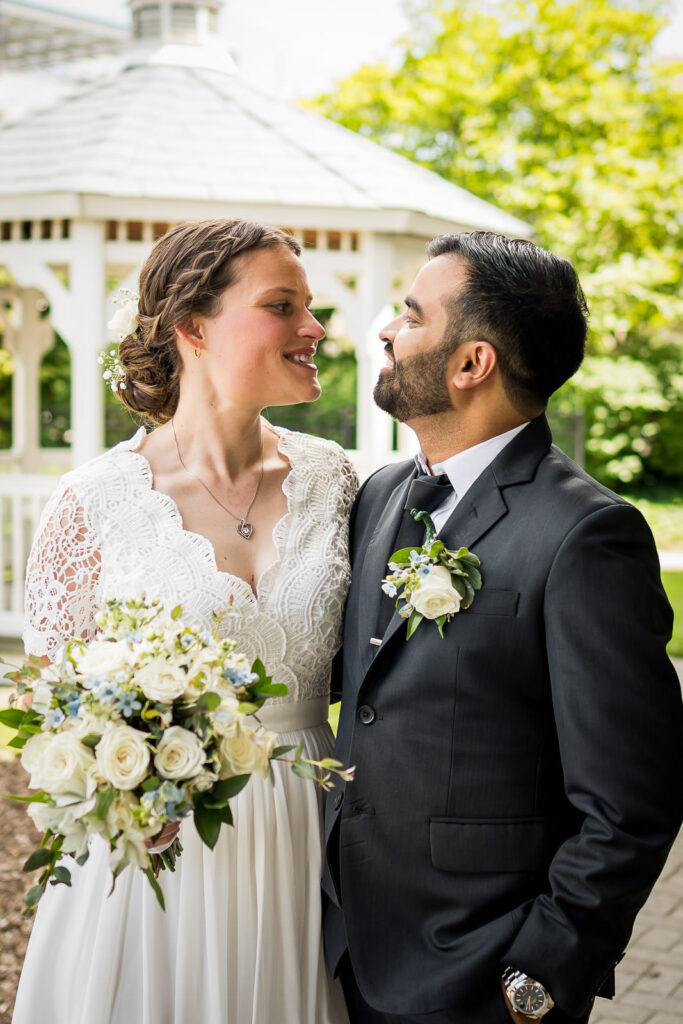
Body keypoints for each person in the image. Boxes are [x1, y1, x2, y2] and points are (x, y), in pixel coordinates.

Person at [323, 231, 683, 1024]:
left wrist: (540, 975)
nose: (384, 328)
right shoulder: (379, 493)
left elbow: (633, 800)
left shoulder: (585, 535)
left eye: (411, 316)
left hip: (480, 979)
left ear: (470, 364)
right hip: (339, 949)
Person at [13, 219, 356, 1024]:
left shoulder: (338, 482)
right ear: (192, 327)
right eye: (282, 306)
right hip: (160, 847)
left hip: (309, 835)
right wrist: (117, 787)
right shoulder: (93, 501)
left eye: (311, 306)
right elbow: (49, 713)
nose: (314, 329)